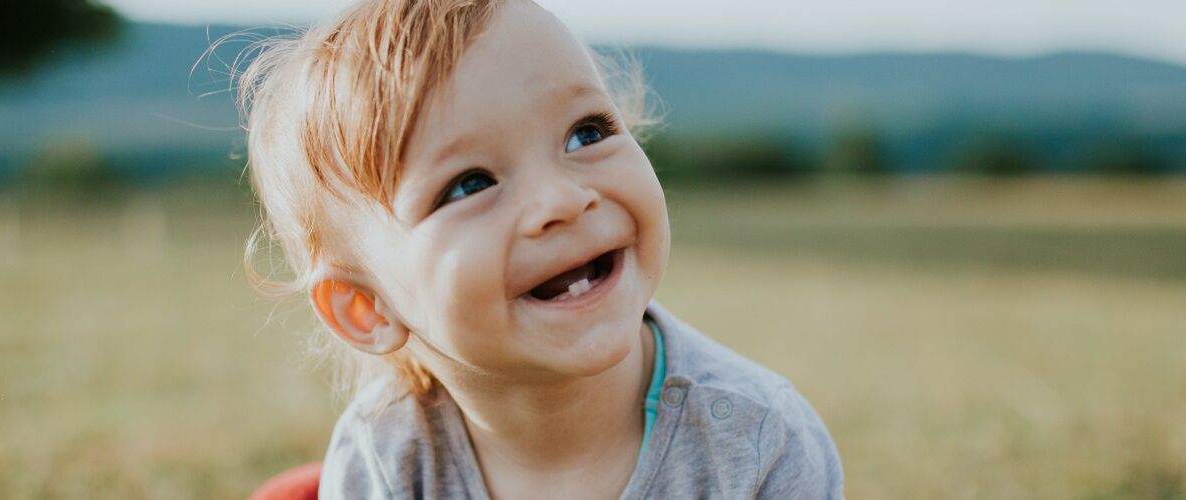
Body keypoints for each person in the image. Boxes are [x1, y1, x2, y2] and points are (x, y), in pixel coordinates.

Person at [237, 0, 843, 497]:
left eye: (587, 132)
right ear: (365, 308)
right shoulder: (388, 456)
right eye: (470, 183)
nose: (563, 198)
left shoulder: (757, 444)